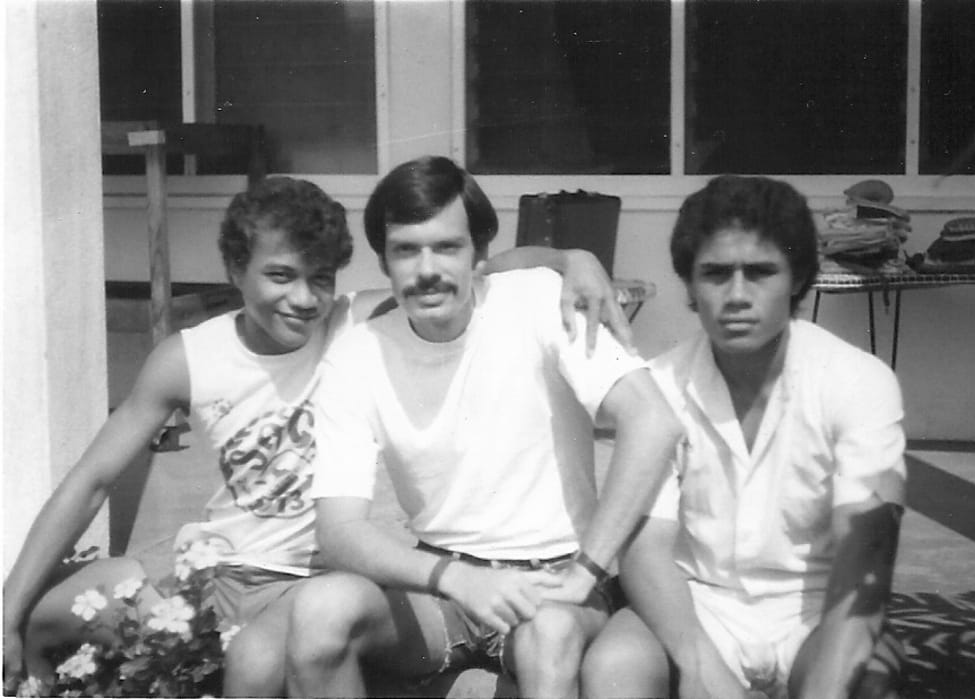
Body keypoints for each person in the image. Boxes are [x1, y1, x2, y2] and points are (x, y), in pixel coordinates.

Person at [2, 175, 631, 697]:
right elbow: (90, 481)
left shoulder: (355, 323)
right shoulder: (188, 357)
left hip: (306, 581)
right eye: (280, 276)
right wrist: (8, 609)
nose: (302, 299)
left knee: (252, 667)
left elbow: (473, 269)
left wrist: (570, 259)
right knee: (53, 613)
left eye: (320, 278)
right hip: (214, 570)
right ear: (235, 269)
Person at [284, 155, 683, 698]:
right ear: (384, 261)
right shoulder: (357, 356)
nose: (427, 270)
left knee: (550, 632)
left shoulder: (537, 301)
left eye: (447, 247)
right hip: (440, 587)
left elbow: (653, 421)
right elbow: (339, 533)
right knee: (319, 609)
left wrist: (588, 568)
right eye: (406, 250)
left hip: (553, 581)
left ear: (479, 255)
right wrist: (457, 579)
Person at [581, 174, 907, 699]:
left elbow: (864, 561)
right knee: (613, 669)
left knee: (867, 683)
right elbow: (645, 553)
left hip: (817, 606)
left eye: (759, 273)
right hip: (695, 603)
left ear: (797, 278)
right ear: (689, 284)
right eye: (714, 274)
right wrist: (700, 668)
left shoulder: (858, 381)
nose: (736, 295)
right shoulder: (659, 387)